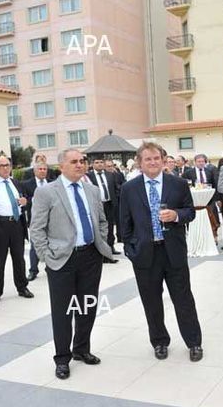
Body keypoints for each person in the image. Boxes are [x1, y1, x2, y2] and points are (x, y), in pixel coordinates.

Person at [30, 149, 113, 379]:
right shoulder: (47, 192)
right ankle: (62, 359)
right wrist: (47, 256)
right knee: (63, 312)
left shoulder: (92, 190)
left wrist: (101, 242)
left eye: (82, 161)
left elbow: (102, 220)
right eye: (74, 161)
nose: (80, 165)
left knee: (87, 307)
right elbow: (36, 229)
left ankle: (81, 349)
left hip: (91, 256)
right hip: (62, 260)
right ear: (61, 167)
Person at [119, 142, 203, 362]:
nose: (153, 162)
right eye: (148, 159)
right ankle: (159, 342)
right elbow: (124, 223)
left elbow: (190, 212)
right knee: (152, 301)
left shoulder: (178, 184)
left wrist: (176, 215)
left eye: (157, 158)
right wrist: (131, 249)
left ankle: (194, 342)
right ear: (140, 163)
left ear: (163, 160)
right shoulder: (129, 189)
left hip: (173, 252)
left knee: (183, 299)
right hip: (145, 254)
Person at [0, 156, 34, 305]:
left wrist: (25, 202)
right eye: (1, 165)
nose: (5, 168)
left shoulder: (16, 183)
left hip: (16, 225)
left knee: (19, 259)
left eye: (7, 165)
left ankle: (22, 287)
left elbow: (26, 199)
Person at [21, 161, 52, 281]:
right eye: (40, 169)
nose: (43, 171)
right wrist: (34, 200)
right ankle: (33, 270)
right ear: (34, 171)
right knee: (35, 246)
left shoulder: (52, 183)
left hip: (52, 220)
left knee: (52, 244)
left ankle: (50, 267)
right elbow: (24, 201)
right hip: (36, 220)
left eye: (45, 169)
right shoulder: (27, 184)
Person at [87, 157, 120, 260]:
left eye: (101, 162)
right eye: (97, 162)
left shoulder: (110, 175)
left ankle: (110, 246)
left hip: (110, 203)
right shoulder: (89, 176)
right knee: (100, 226)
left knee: (110, 226)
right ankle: (101, 249)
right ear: (92, 164)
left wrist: (116, 201)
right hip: (98, 205)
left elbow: (116, 188)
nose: (99, 164)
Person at [104, 159, 126, 243]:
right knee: (109, 222)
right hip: (109, 202)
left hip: (119, 200)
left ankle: (120, 236)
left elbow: (124, 184)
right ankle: (110, 239)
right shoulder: (104, 176)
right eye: (108, 166)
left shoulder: (118, 174)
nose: (110, 168)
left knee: (119, 219)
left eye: (111, 166)